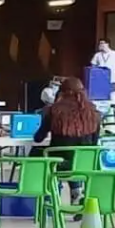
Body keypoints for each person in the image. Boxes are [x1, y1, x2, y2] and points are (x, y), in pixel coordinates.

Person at [36, 76, 103, 207]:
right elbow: (94, 143)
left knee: (38, 153)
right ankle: (76, 191)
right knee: (74, 157)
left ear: (61, 92)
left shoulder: (54, 111)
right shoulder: (94, 113)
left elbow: (38, 138)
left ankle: (48, 196)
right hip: (85, 165)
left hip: (58, 163)